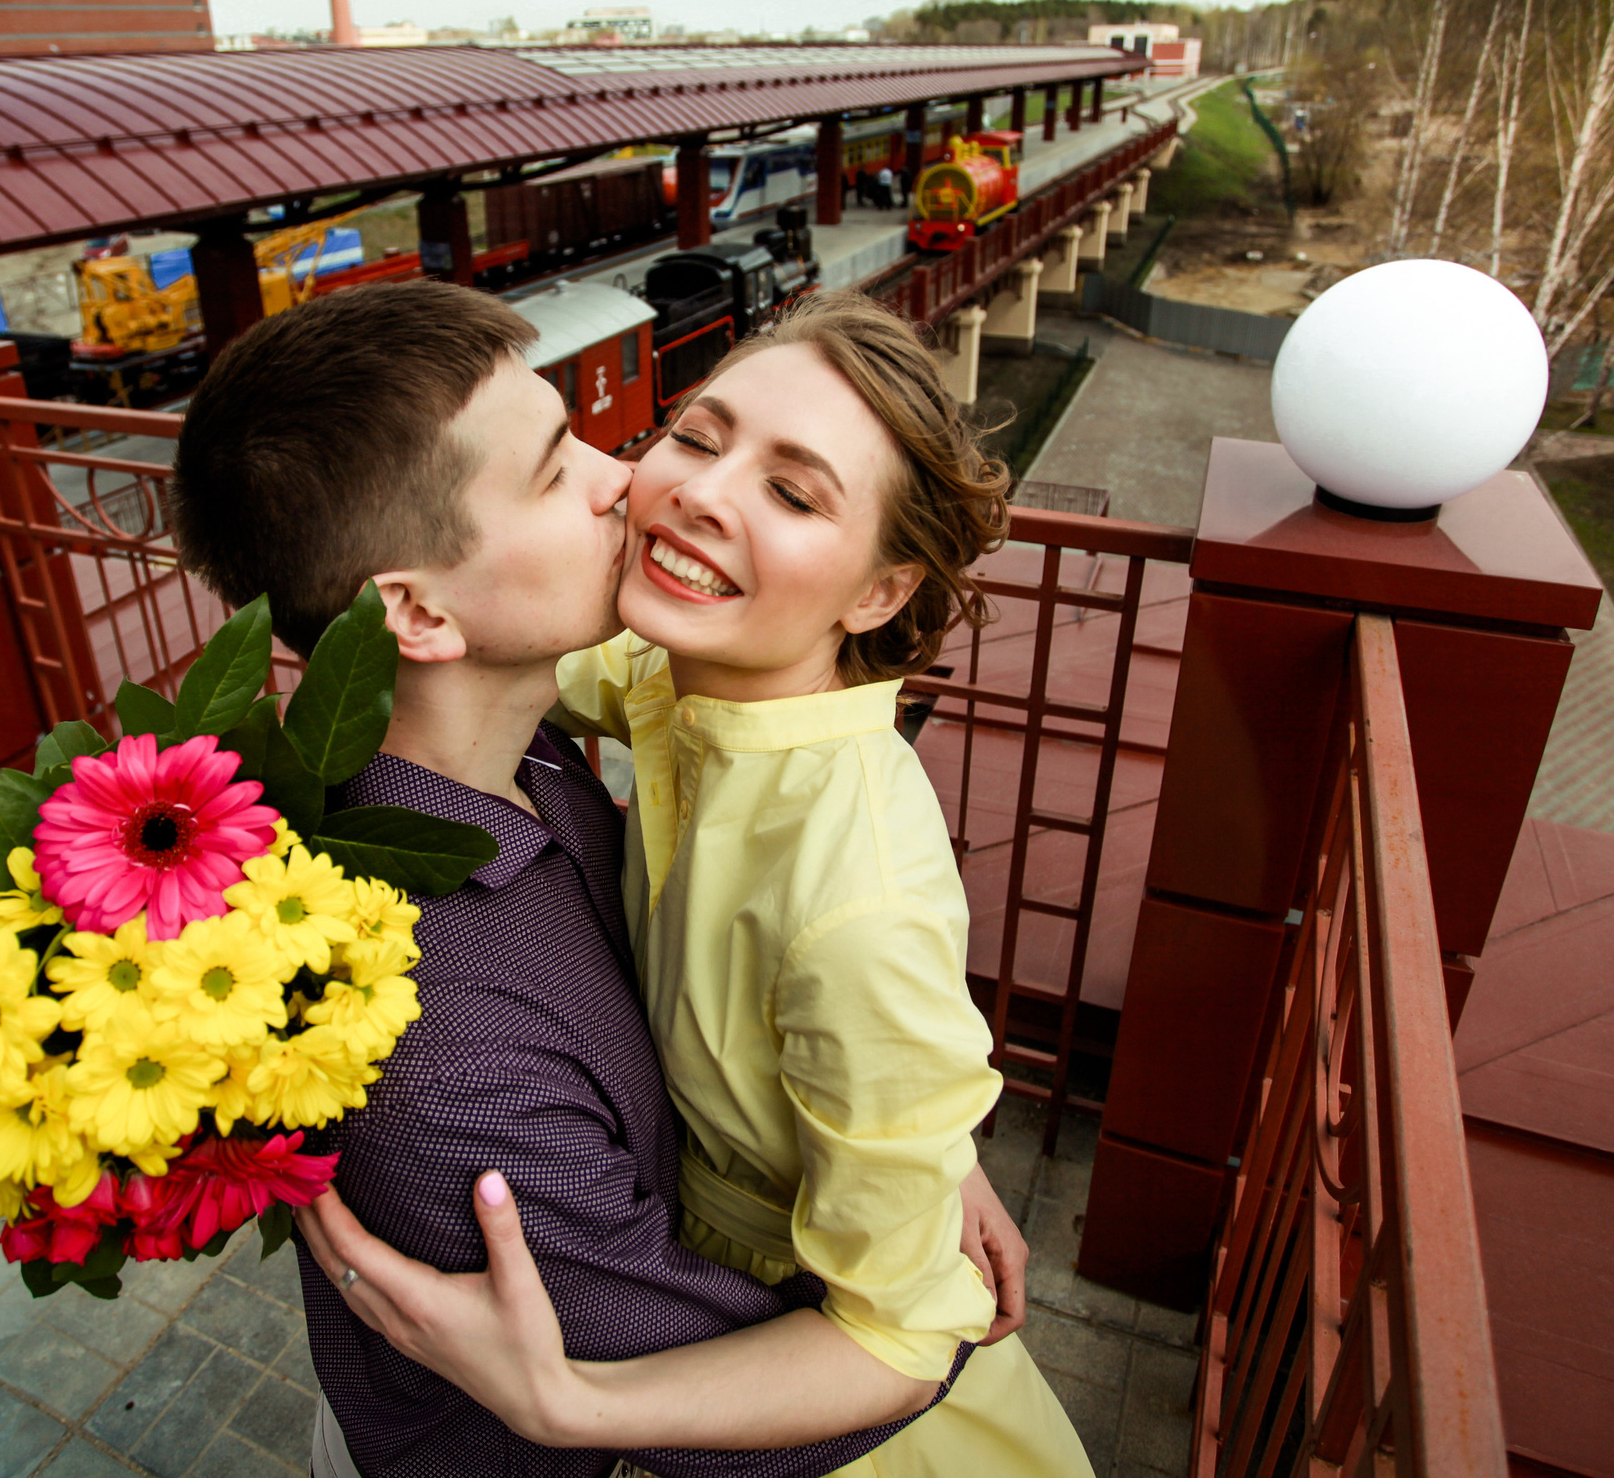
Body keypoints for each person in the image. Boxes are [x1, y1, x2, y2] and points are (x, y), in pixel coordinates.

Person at [169, 282, 1019, 1478]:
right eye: (555, 466)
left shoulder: (535, 731)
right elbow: (796, 1383)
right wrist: (933, 1287)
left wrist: (915, 1152)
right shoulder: (445, 1054)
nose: (631, 480)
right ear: (415, 610)